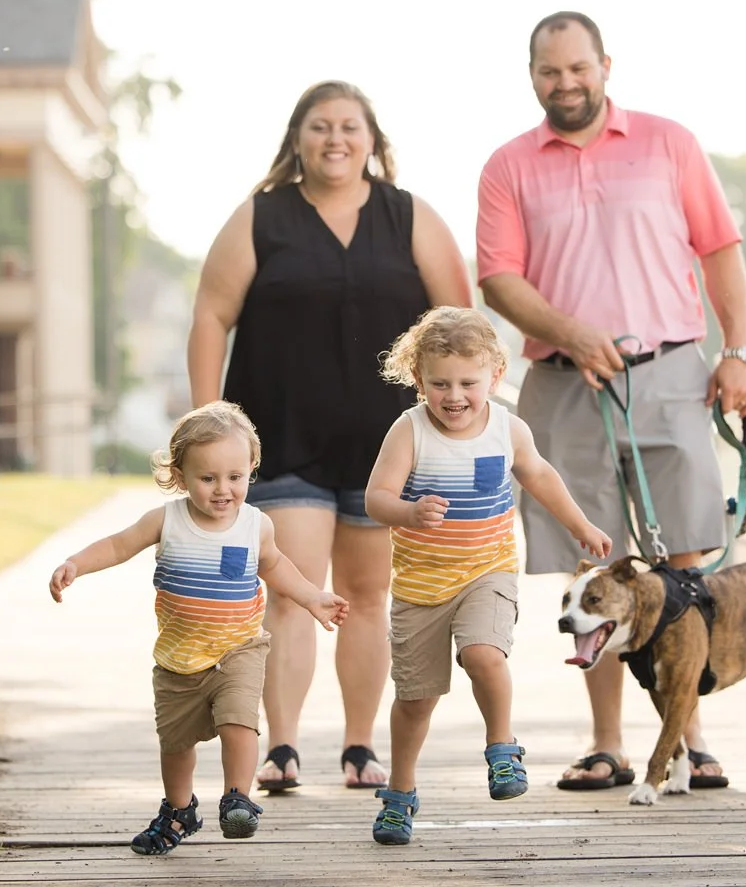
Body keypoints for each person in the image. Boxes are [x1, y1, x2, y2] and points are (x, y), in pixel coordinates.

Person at [475, 12, 746, 792]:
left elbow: (720, 249)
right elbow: (499, 278)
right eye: (548, 72)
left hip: (669, 372)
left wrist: (739, 351)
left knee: (685, 558)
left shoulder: (670, 143)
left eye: (578, 68)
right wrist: (570, 330)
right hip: (566, 383)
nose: (565, 84)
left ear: (605, 65)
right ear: (532, 75)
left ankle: (690, 740)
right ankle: (609, 745)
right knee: (592, 563)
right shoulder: (508, 167)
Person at [188, 81, 472, 794]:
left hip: (387, 445)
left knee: (368, 596)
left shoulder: (409, 218)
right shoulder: (261, 218)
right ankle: (281, 749)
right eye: (320, 126)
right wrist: (208, 425)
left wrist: (462, 415)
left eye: (349, 126)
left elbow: (459, 324)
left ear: (372, 139)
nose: (335, 138)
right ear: (297, 139)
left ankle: (357, 747)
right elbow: (210, 317)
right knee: (291, 592)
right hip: (282, 436)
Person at [47, 401, 349, 853]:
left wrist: (312, 597)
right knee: (176, 744)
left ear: (251, 468)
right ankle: (179, 810)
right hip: (178, 659)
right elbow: (118, 544)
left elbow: (277, 566)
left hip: (238, 650)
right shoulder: (167, 520)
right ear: (180, 475)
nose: (223, 489)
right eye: (208, 478)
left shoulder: (255, 526)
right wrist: (76, 564)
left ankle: (238, 798)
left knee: (239, 721)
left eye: (235, 477)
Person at [362, 306, 611, 843]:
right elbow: (376, 498)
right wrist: (407, 512)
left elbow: (541, 476)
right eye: (440, 383)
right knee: (415, 701)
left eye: (468, 382)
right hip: (420, 589)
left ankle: (502, 748)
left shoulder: (507, 427)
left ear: (495, 376)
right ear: (418, 380)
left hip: (487, 572)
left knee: (484, 654)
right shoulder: (408, 431)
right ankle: (400, 794)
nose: (455, 396)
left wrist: (580, 525)